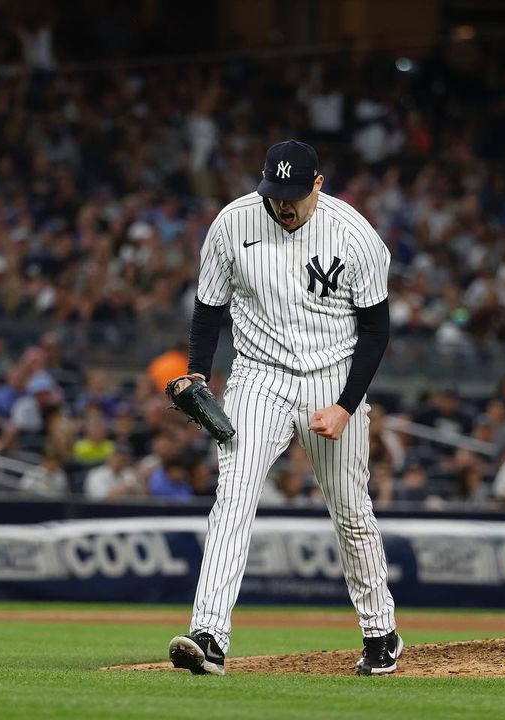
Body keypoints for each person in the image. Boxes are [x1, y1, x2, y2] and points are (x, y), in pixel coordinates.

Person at [166, 141, 401, 677]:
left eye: (294, 194)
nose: (283, 204)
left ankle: (380, 630)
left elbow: (376, 330)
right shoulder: (233, 223)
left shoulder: (355, 235)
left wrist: (345, 405)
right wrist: (198, 371)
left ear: (318, 184)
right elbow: (208, 307)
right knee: (234, 497)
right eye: (275, 193)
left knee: (351, 511)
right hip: (259, 376)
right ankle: (209, 636)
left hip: (333, 375)